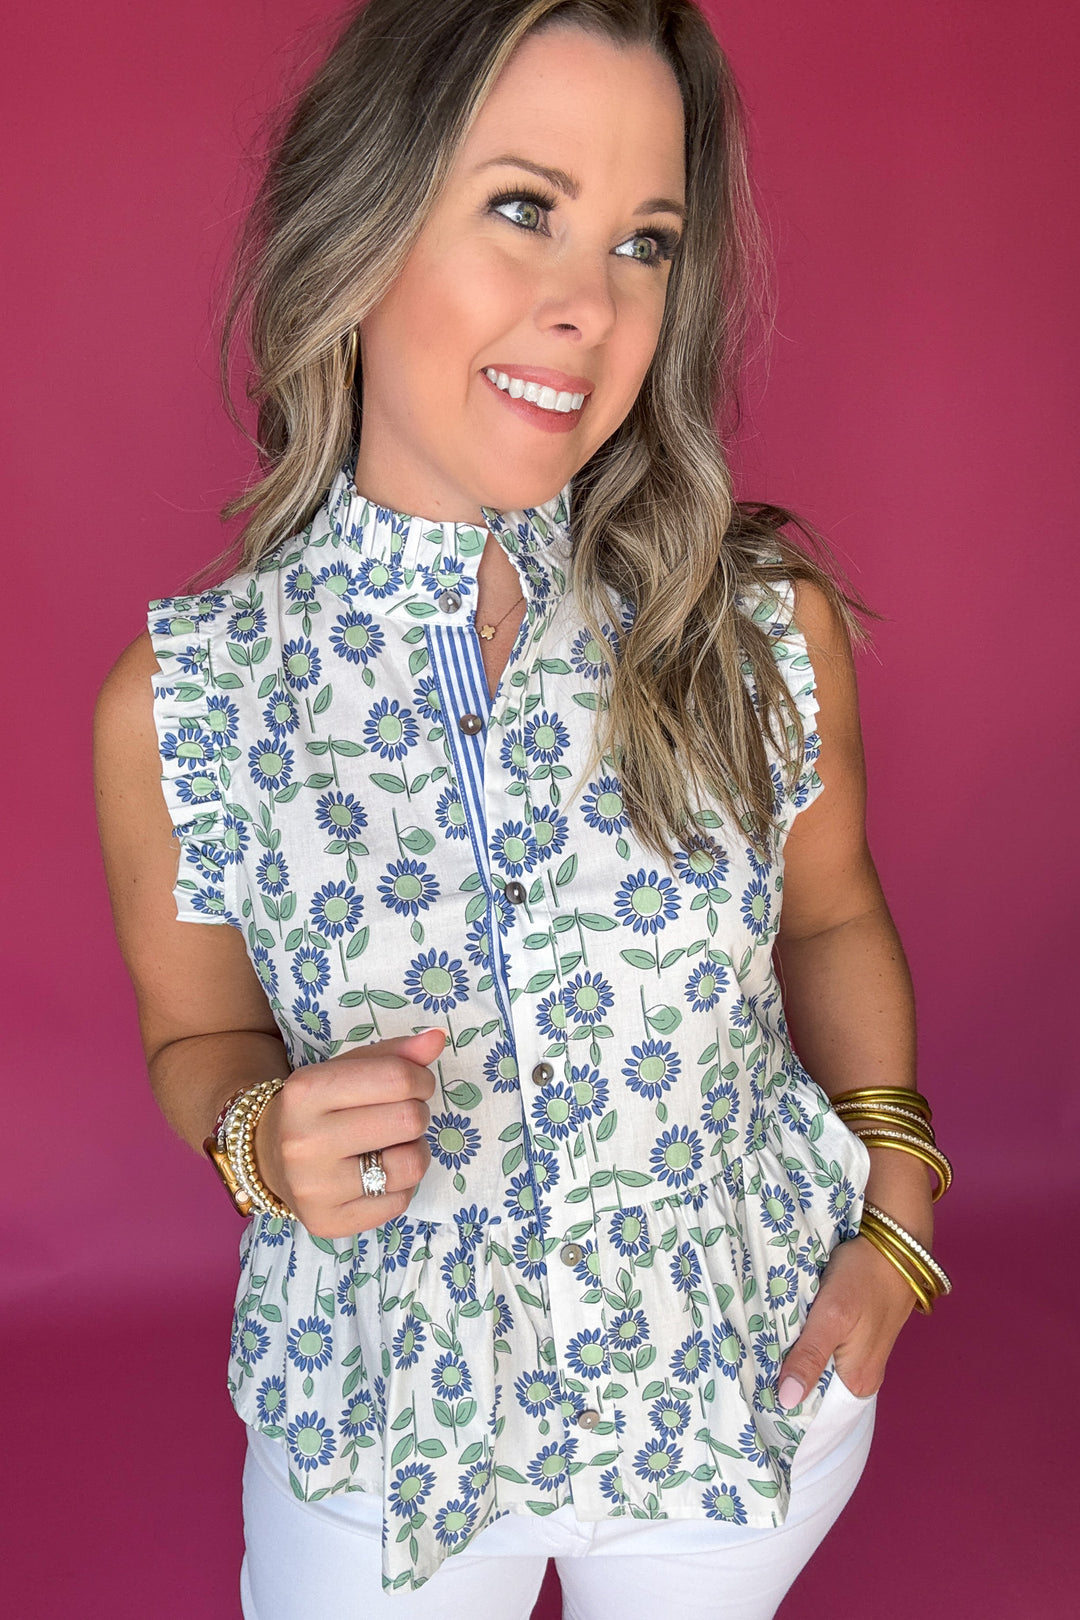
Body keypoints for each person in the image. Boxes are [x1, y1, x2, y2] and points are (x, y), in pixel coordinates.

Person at [93, 2, 953, 1616]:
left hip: (740, 1381)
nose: (591, 306)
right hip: (380, 1428)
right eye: (522, 207)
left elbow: (831, 912)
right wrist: (262, 1141)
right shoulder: (188, 702)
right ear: (359, 225)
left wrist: (897, 1203)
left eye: (644, 242)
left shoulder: (756, 625)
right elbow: (199, 1038)